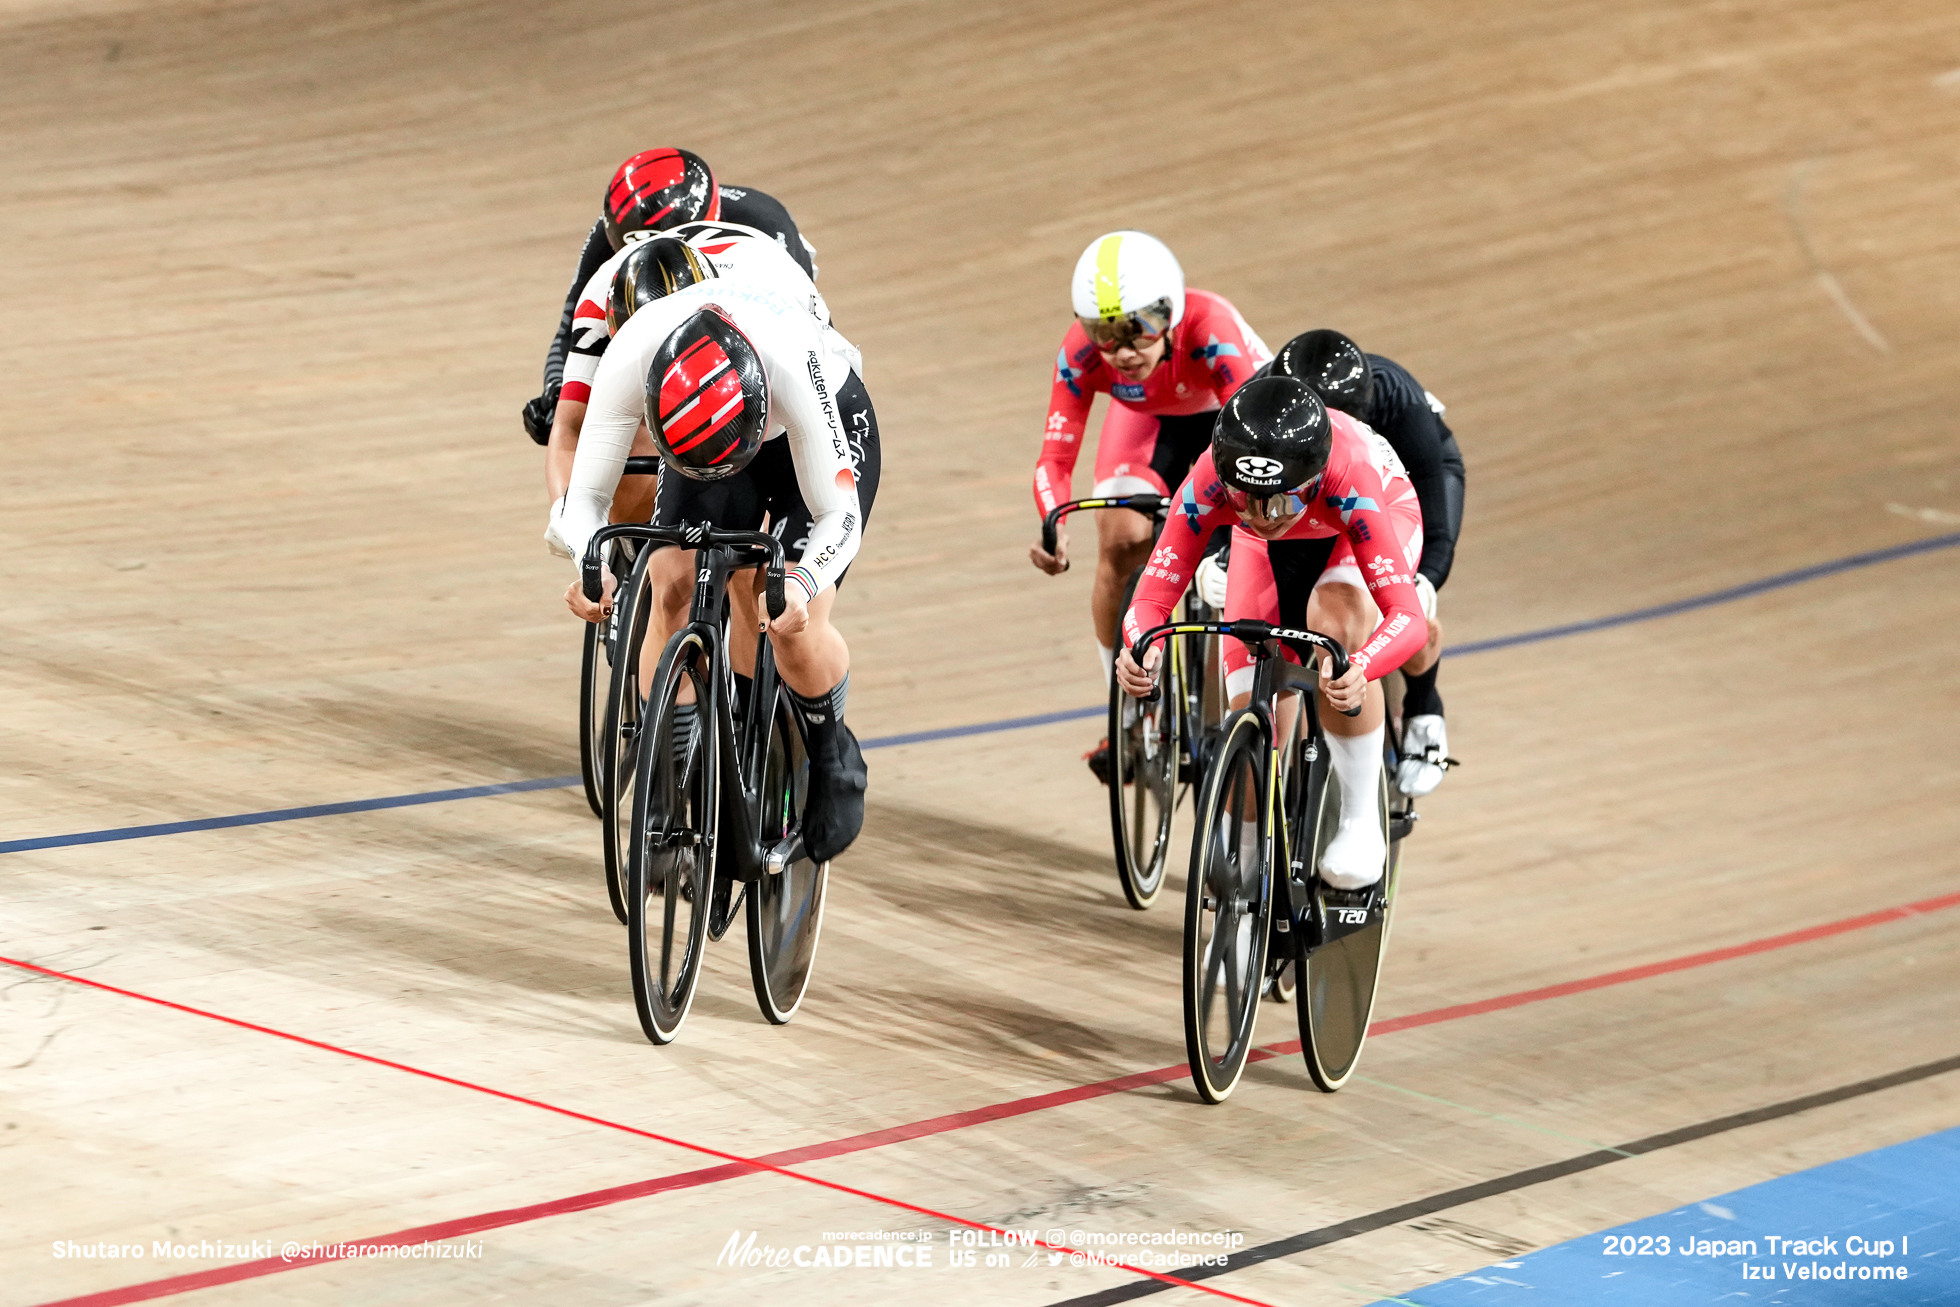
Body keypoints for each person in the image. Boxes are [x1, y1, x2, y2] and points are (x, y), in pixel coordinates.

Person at [542, 270, 877, 864]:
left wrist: (800, 583)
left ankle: (832, 756)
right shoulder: (634, 354)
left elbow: (838, 516)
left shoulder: (795, 366)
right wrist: (593, 561)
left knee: (786, 615)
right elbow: (583, 501)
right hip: (705, 441)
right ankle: (670, 796)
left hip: (804, 431)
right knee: (669, 583)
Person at [1115, 377, 1426, 889]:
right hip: (1295, 530)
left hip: (1364, 521)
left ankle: (1357, 818)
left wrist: (1364, 665)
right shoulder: (1214, 483)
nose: (1260, 518)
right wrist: (1141, 648)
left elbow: (1407, 617)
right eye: (1244, 501)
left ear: (1311, 480)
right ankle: (1244, 874)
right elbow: (1151, 598)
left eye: (1276, 504)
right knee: (1249, 709)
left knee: (1336, 628)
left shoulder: (1350, 477)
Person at [1026, 230, 1271, 780]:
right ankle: (1124, 711)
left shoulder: (1211, 330)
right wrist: (1053, 522)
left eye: (1139, 330)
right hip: (1148, 425)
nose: (1124, 352)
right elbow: (1054, 459)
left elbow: (1254, 449)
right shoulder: (1082, 353)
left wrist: (1229, 539)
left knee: (1235, 553)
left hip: (1232, 425)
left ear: (1172, 311)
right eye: (1105, 336)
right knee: (1117, 539)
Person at [1268, 330, 1463, 796]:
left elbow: (1434, 531)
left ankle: (1423, 705)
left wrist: (1421, 585)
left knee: (1403, 598)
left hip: (1404, 486)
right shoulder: (1266, 399)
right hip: (1316, 494)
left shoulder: (1397, 402)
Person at [521, 147, 819, 445]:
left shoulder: (763, 224)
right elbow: (572, 329)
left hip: (758, 308)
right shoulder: (607, 234)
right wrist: (556, 390)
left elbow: (811, 338)